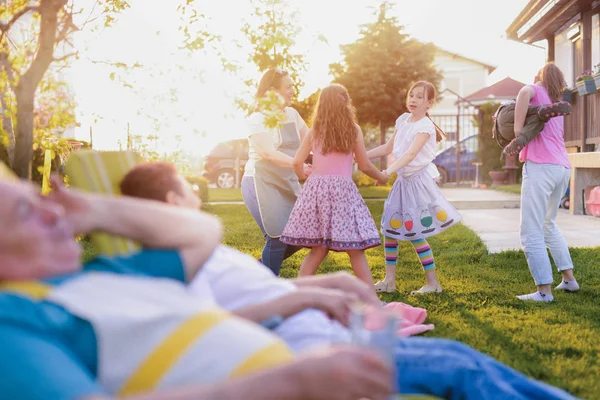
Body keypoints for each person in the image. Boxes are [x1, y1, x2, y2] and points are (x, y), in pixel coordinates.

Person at [117, 161, 579, 400]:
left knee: (460, 356)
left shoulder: (205, 251)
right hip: (306, 352)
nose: (197, 194)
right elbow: (210, 322)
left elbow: (264, 292)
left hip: (328, 331)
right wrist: (302, 300)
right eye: (188, 188)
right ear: (172, 200)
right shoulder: (172, 268)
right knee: (459, 369)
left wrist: (325, 284)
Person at [0, 176, 396, 400]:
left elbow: (202, 231)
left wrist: (98, 210)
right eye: (26, 212)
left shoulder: (107, 275)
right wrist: (295, 381)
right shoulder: (13, 322)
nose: (54, 212)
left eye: (44, 200)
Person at [280, 84, 387, 286]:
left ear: (322, 105)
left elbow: (296, 161)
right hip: (342, 192)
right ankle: (371, 298)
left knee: (318, 249)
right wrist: (381, 177)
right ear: (346, 103)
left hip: (317, 190)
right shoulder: (353, 130)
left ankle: (301, 293)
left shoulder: (315, 131)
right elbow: (364, 164)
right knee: (355, 251)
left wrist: (303, 175)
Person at [366, 81, 461, 295]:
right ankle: (389, 281)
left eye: (420, 97)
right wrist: (360, 156)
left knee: (415, 232)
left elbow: (410, 154)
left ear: (429, 103)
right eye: (411, 95)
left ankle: (433, 284)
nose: (413, 100)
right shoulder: (403, 120)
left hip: (417, 184)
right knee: (390, 230)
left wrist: (386, 173)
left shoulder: (425, 127)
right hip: (403, 182)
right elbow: (388, 147)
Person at [512, 63, 578, 302]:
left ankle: (544, 292)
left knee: (530, 230)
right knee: (548, 224)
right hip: (562, 167)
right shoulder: (555, 101)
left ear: (537, 76)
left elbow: (519, 131)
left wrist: (516, 125)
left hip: (540, 166)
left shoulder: (530, 90)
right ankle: (569, 280)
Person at [241, 68, 311, 276]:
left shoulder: (292, 114)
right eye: (288, 87)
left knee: (302, 235)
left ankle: (255, 271)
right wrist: (298, 165)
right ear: (272, 91)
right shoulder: (257, 119)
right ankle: (268, 284)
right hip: (260, 182)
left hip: (285, 180)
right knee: (277, 238)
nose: (292, 90)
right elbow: (268, 153)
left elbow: (310, 141)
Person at [492, 97, 571, 156]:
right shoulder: (531, 92)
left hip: (504, 132)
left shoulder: (496, 129)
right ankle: (541, 110)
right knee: (533, 116)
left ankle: (522, 139)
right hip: (506, 112)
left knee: (534, 120)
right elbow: (522, 101)